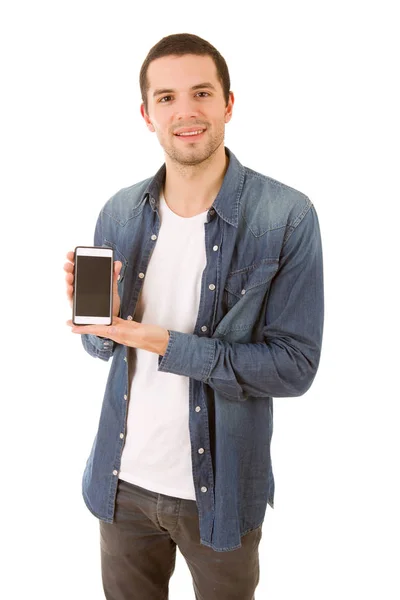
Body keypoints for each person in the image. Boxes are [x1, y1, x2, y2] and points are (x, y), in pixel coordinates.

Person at [64, 32, 324, 600]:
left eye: (201, 93)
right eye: (166, 98)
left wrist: (161, 341)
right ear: (146, 113)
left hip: (221, 489)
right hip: (120, 482)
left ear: (228, 103)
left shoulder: (286, 216)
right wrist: (104, 326)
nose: (185, 111)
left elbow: (294, 367)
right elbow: (101, 348)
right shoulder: (119, 211)